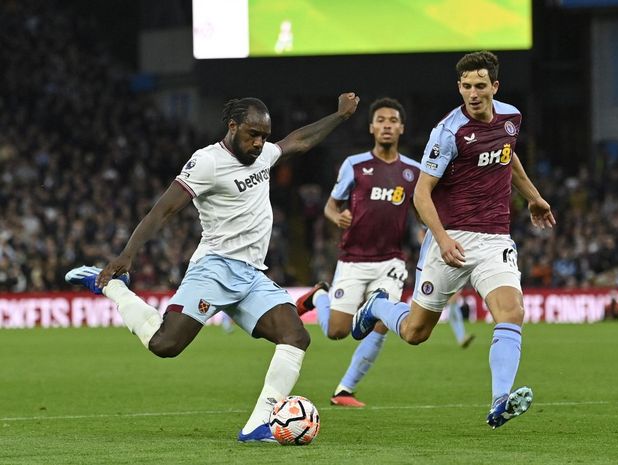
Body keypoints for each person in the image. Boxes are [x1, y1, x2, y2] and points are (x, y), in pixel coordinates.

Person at [65, 92, 360, 442]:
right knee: (165, 345)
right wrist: (127, 255)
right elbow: (164, 209)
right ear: (232, 127)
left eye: (264, 136)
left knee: (295, 336)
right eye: (252, 134)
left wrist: (339, 116)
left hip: (251, 275)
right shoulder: (207, 162)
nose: (259, 143)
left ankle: (258, 425)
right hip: (215, 269)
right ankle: (112, 288)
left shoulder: (262, 154)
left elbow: (299, 141)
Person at [351, 51, 556, 429]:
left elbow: (508, 158)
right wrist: (442, 239)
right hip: (452, 239)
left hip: (495, 238)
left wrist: (534, 197)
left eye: (480, 85)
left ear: (495, 86)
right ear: (458, 87)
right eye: (466, 86)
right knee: (415, 333)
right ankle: (378, 306)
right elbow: (421, 193)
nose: (473, 93)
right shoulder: (448, 132)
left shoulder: (511, 118)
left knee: (511, 313)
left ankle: (500, 401)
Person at [295, 97, 421, 407]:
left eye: (393, 120)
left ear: (401, 128)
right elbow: (330, 205)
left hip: (390, 260)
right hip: (353, 259)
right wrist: (336, 216)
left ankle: (344, 390)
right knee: (336, 331)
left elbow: (424, 209)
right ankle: (319, 296)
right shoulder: (355, 165)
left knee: (382, 323)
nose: (387, 125)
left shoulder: (413, 171)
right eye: (381, 120)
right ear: (371, 128)